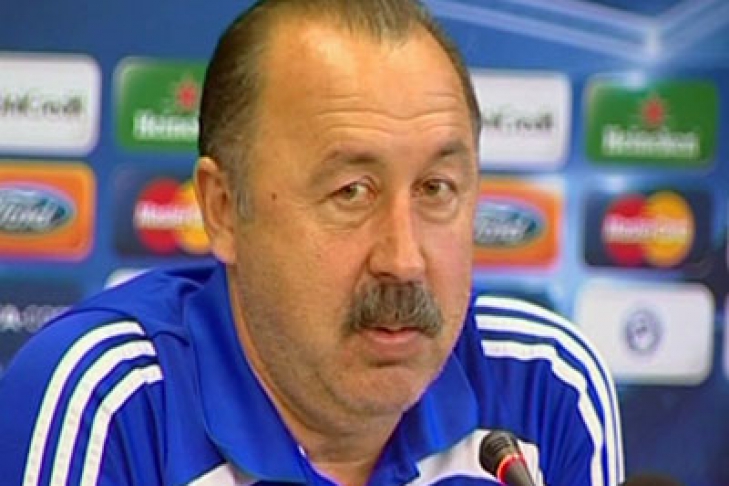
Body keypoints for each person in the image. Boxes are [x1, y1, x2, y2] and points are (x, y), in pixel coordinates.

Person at [0, 0, 623, 485]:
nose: (404, 260)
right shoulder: (109, 402)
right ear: (223, 210)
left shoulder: (542, 384)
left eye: (435, 188)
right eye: (351, 192)